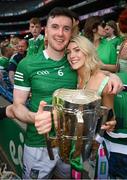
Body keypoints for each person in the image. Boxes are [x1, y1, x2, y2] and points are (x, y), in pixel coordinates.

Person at [13, 7, 123, 179]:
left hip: (70, 147)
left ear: (71, 33)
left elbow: (92, 71)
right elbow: (17, 105)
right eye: (55, 26)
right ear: (46, 31)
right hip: (38, 144)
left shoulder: (73, 62)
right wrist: (35, 118)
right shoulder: (27, 64)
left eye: (66, 28)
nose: (60, 33)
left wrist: (112, 76)